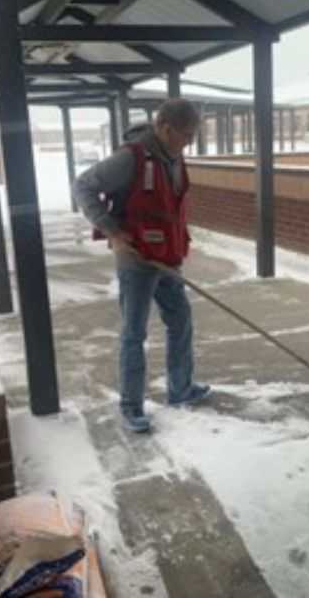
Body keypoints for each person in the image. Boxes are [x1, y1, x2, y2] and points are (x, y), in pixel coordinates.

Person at [73, 98, 211, 433]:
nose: (189, 142)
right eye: (187, 135)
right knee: (134, 331)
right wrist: (112, 230)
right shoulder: (129, 158)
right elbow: (83, 186)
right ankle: (131, 405)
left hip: (167, 256)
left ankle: (181, 390)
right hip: (137, 258)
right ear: (166, 129)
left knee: (180, 319)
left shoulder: (173, 157)